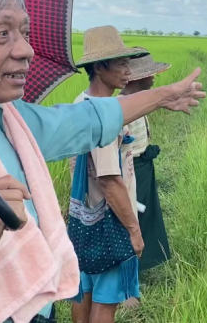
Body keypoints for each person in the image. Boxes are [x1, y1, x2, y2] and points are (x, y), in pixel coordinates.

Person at [0, 0, 206, 323]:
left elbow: (86, 120)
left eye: (24, 32)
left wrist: (163, 95)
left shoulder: (10, 119)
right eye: (2, 33)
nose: (26, 50)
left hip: (35, 309)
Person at [69, 26, 146, 323]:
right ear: (99, 67)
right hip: (109, 220)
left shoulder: (80, 102)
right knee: (106, 301)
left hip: (83, 218)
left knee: (84, 289)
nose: (128, 71)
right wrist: (134, 231)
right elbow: (109, 179)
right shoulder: (104, 114)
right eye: (122, 63)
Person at [120, 55, 172, 274]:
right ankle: (126, 274)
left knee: (144, 214)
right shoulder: (123, 107)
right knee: (129, 218)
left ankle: (142, 264)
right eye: (150, 74)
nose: (154, 78)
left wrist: (145, 151)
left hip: (142, 166)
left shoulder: (137, 102)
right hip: (129, 171)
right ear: (137, 78)